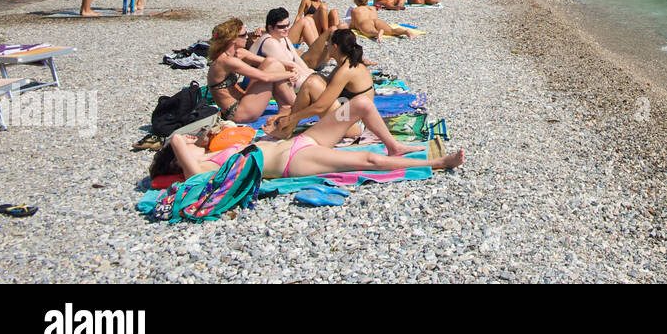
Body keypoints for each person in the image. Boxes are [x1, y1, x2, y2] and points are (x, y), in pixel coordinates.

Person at [155, 113, 463, 183]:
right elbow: (194, 176)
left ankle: (394, 145)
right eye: (188, 141)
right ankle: (437, 164)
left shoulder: (211, 152)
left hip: (299, 141)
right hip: (294, 160)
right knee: (367, 158)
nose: (194, 137)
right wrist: (179, 142)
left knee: (354, 104)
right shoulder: (202, 166)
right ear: (177, 160)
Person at [266, 30, 422, 157]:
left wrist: (291, 117)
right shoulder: (346, 64)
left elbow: (321, 106)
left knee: (313, 82)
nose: (325, 47)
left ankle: (287, 128)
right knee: (315, 79)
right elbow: (323, 87)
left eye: (327, 45)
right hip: (351, 117)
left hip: (352, 126)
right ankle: (287, 126)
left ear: (335, 47)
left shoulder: (346, 70)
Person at [206, 18, 297, 122]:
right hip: (238, 113)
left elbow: (267, 61)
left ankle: (286, 107)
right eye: (244, 35)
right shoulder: (226, 61)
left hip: (242, 102)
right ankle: (295, 105)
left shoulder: (237, 53)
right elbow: (265, 77)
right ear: (233, 39)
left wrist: (289, 66)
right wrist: (289, 74)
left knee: (272, 62)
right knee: (274, 67)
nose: (247, 37)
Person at [347, 0, 420, 41]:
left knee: (370, 31)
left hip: (365, 22)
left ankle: (377, 33)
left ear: (356, 1)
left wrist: (353, 27)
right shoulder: (373, 8)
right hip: (377, 21)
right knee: (391, 30)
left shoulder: (355, 10)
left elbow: (354, 23)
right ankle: (405, 31)